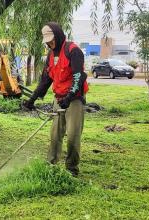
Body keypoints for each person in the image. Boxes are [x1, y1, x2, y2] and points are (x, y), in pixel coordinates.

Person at [23, 22, 88, 176]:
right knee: (55, 135)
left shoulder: (73, 50)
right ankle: (51, 165)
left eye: (51, 40)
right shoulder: (51, 56)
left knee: (72, 135)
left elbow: (79, 77)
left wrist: (70, 96)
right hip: (58, 98)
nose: (49, 44)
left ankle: (72, 169)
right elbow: (46, 80)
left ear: (58, 36)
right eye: (47, 42)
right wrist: (31, 99)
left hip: (74, 99)